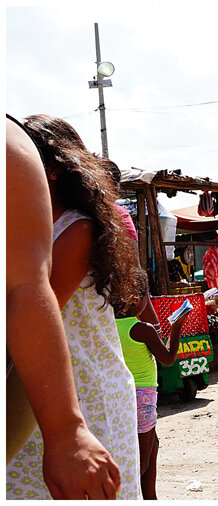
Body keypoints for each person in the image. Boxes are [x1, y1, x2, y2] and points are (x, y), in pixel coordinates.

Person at [9, 114, 144, 499]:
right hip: (39, 387)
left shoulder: (76, 229)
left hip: (83, 394)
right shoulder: (25, 232)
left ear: (50, 169)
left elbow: (37, 299)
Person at [114, 274, 187, 500]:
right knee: (142, 460)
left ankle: (150, 498)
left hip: (123, 393)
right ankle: (129, 495)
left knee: (152, 444)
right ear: (137, 299)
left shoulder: (108, 326)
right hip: (143, 395)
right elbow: (168, 358)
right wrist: (177, 328)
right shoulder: (142, 329)